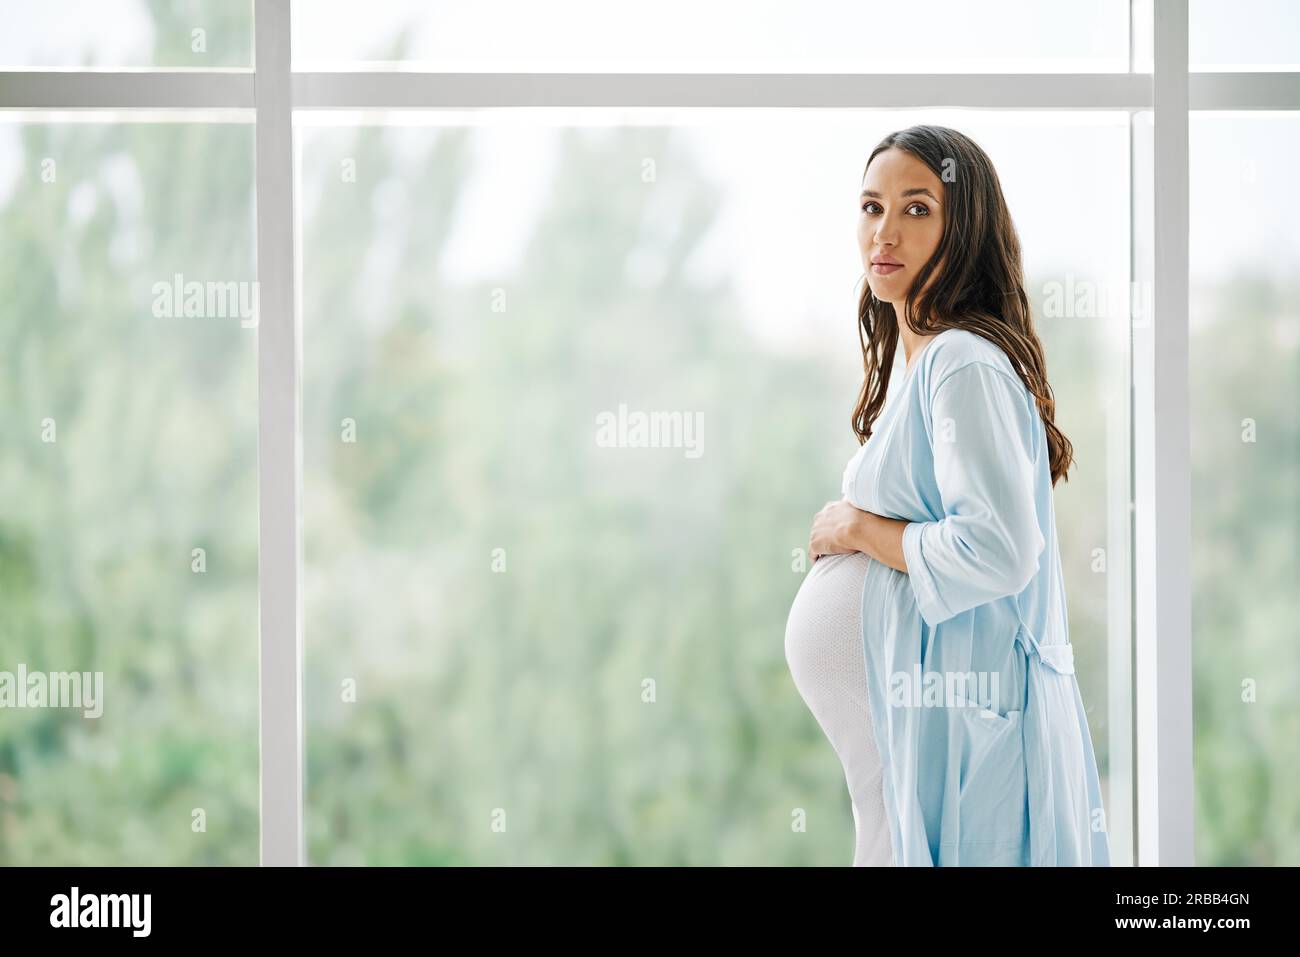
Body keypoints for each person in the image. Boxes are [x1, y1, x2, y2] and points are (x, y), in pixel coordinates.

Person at [785, 125, 1110, 866]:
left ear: (963, 227)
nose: (885, 231)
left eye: (917, 208)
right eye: (872, 207)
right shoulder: (923, 357)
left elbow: (998, 548)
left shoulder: (962, 360)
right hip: (917, 738)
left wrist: (861, 529)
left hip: (964, 743)